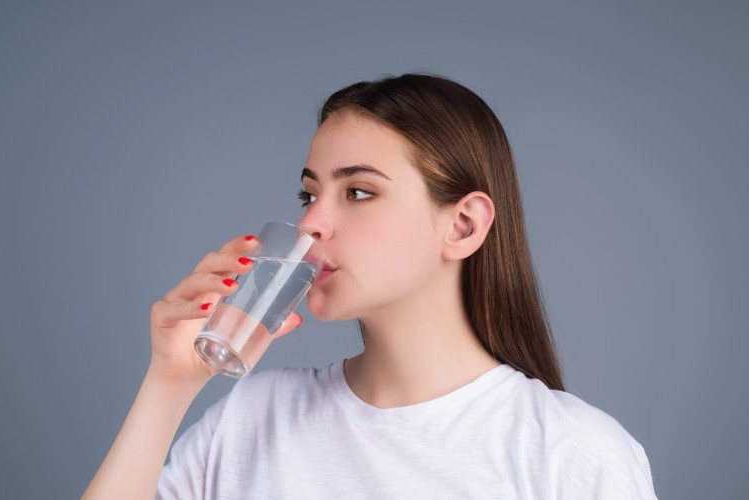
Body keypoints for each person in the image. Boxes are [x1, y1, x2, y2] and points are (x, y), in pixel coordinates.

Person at [83, 74, 658, 499]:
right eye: (309, 195)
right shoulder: (254, 416)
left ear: (463, 225)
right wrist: (169, 383)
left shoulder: (571, 453)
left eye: (358, 191)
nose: (311, 223)